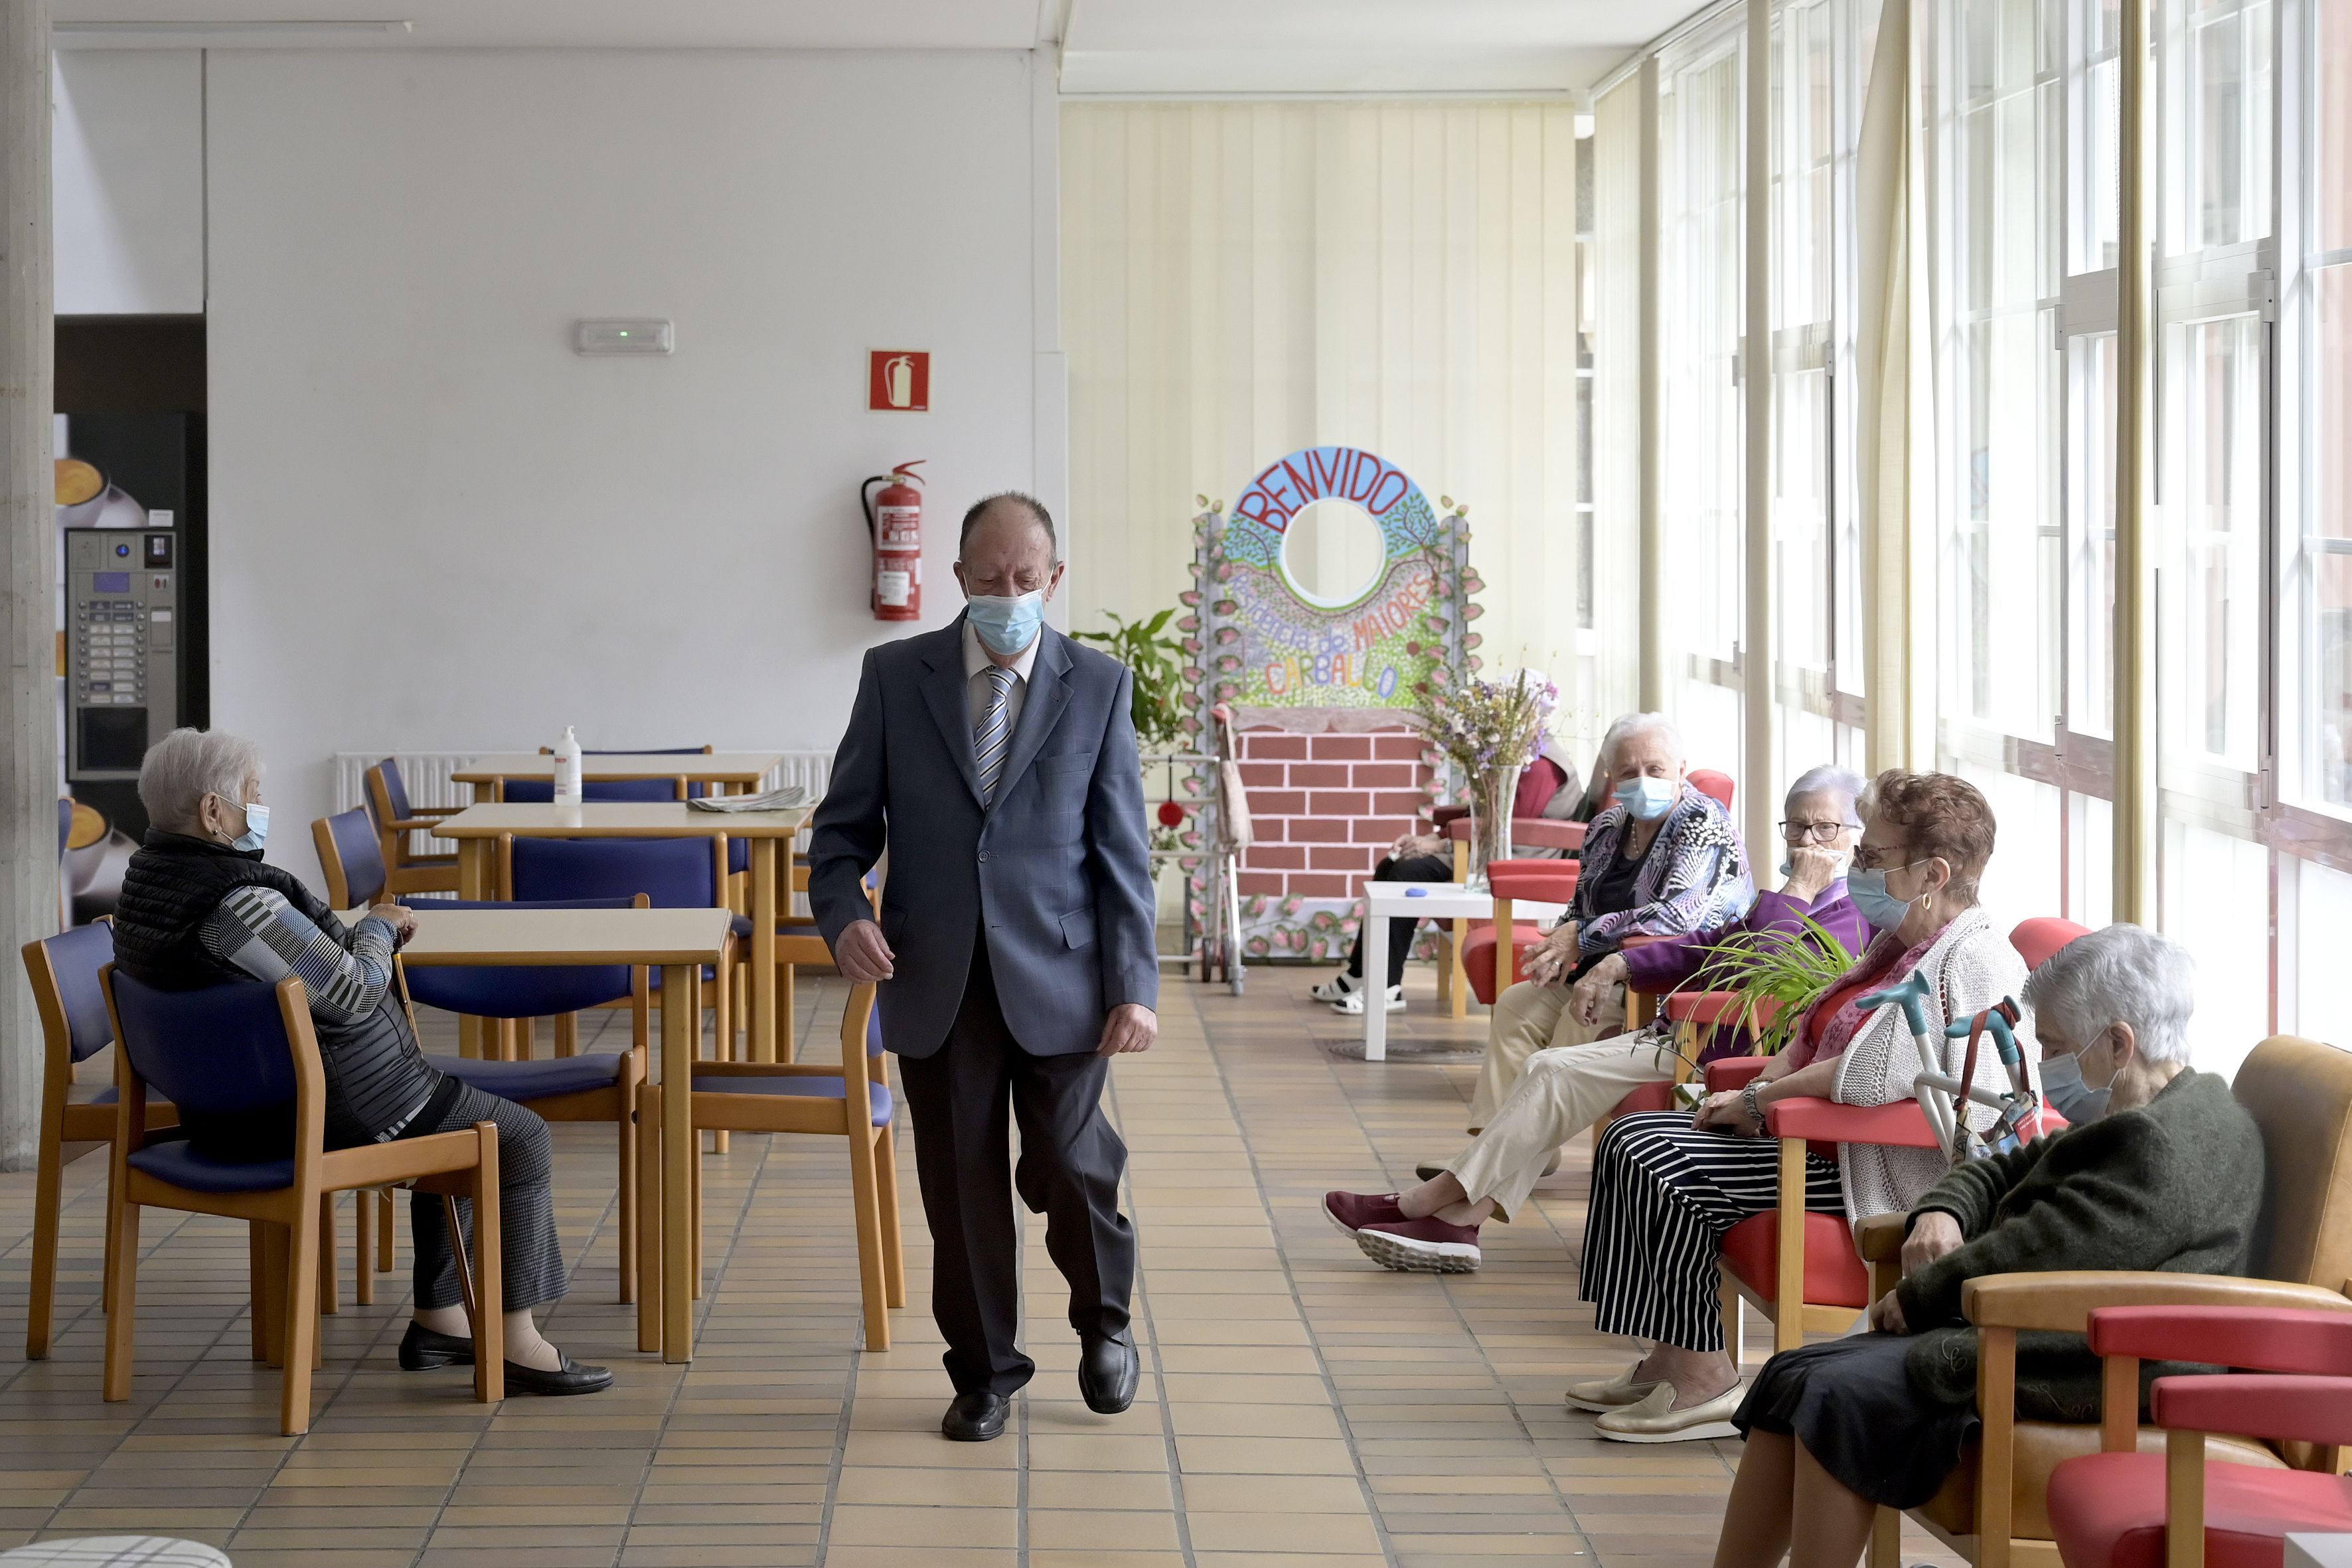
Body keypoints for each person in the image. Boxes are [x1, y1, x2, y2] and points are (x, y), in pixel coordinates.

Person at [1713, 924, 2260, 1568]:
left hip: (2097, 1364)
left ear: (2119, 1041)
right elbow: (2006, 1162)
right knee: (1790, 1374)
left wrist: (1918, 1298)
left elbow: (2043, 1252)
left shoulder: (2157, 1147)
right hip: (2046, 1326)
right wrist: (1945, 1206)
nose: (2045, 1062)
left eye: (2055, 1045)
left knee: (1835, 1392)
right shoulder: (2149, 1110)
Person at [108, 728, 609, 1395]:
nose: (262, 806)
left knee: (458, 1118)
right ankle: (516, 1340)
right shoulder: (238, 903)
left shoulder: (145, 888)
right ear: (212, 812)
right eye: (254, 795)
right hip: (325, 1106)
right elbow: (348, 993)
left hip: (229, 1108)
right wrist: (375, 928)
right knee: (516, 1136)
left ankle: (442, 1321)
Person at [810, 492, 1159, 1445]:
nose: (1008, 594)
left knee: (1073, 1166)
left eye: (1026, 578)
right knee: (960, 1189)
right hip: (936, 977)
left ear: (1053, 579)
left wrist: (1136, 983)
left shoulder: (1096, 683)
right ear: (958, 578)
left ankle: (1105, 1323)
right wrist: (842, 917)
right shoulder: (895, 676)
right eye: (990, 578)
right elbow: (839, 834)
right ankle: (985, 1373)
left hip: (1062, 975)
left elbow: (1121, 851)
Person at [1563, 770, 2031, 1443]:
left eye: (1873, 858)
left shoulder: (1975, 957)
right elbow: (1817, 1030)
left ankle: (1705, 1380)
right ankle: (1672, 1356)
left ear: (1932, 872)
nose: (1859, 868)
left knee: (1656, 1156)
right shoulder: (1897, 940)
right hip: (1811, 1136)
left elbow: (1872, 1075)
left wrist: (1759, 1099)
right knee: (1629, 1136)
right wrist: (1762, 1085)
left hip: (1868, 1165)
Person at [1322, 765, 1869, 1271]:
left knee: (1553, 1071)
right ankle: (1456, 1224)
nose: (1805, 843)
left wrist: (1798, 890)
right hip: (1684, 1035)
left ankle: (1426, 1203)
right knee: (1549, 1068)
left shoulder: (1855, 914)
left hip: (1729, 1055)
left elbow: (1753, 972)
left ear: (1857, 834)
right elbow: (1710, 946)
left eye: (1824, 828)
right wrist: (1620, 961)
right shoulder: (1783, 899)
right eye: (1795, 828)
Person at [1460, 713, 1755, 1134]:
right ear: (1611, 777)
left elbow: (1679, 915)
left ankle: (1511, 1149)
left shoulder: (1702, 822)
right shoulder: (1607, 826)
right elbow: (1581, 904)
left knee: (1578, 1016)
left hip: (1661, 976)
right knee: (1516, 1004)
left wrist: (1582, 938)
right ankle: (1491, 1137)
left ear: (1681, 770)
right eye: (1628, 772)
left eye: (1655, 770)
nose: (1643, 780)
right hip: (1596, 967)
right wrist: (1555, 951)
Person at [1309, 686, 1595, 1017]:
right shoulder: (1520, 753)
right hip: (1493, 849)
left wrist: (1441, 842)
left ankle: (1387, 986)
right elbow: (1494, 813)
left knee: (1407, 872)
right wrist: (1443, 835)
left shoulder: (1543, 764)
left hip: (1518, 858)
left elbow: (1508, 824)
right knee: (1391, 867)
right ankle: (1360, 974)